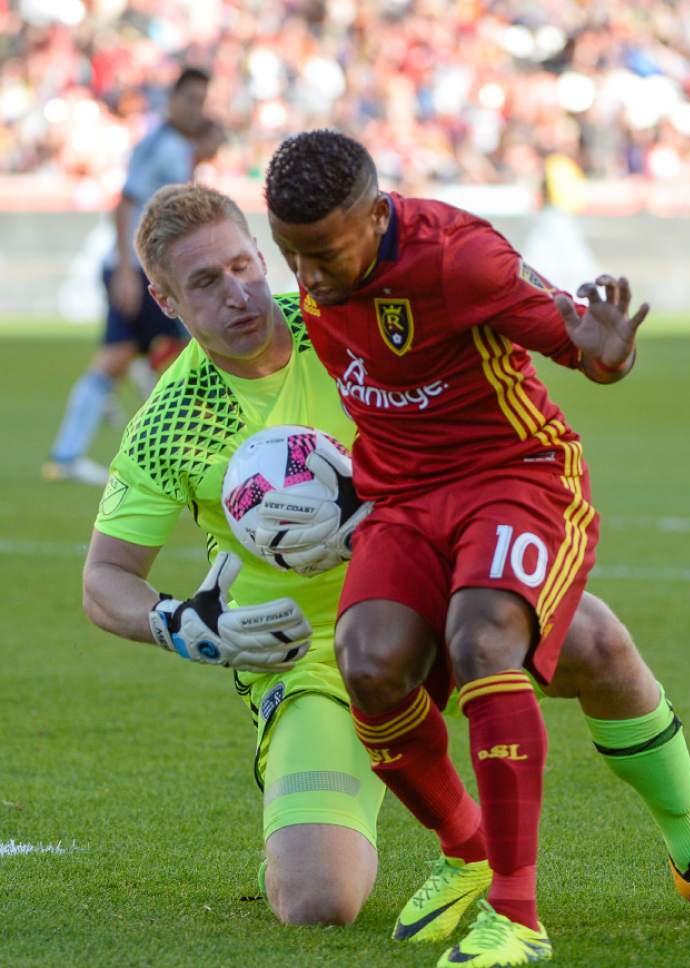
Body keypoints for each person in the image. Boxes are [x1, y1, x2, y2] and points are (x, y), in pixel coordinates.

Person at [261, 130, 690, 967]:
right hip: (403, 498)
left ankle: (520, 914)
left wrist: (608, 350)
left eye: (324, 254)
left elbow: (578, 341)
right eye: (290, 254)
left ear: (375, 215)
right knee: (368, 664)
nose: (308, 277)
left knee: (482, 640)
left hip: (512, 475)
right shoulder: (315, 269)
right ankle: (468, 851)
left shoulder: (460, 258)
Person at [82, 182, 384, 926]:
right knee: (320, 902)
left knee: (590, 639)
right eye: (205, 283)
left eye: (243, 266)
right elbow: (105, 580)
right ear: (165, 299)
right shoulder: (170, 423)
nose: (237, 294)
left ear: (264, 254)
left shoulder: (348, 328)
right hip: (312, 656)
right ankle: (309, 819)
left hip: (442, 598)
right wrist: (181, 623)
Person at [44, 67, 224, 486]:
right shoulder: (158, 144)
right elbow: (124, 203)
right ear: (174, 99)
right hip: (139, 271)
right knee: (177, 357)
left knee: (122, 358)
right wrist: (126, 270)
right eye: (191, 100)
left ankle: (69, 454)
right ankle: (183, 453)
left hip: (146, 270)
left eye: (202, 102)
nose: (196, 109)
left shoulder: (178, 149)